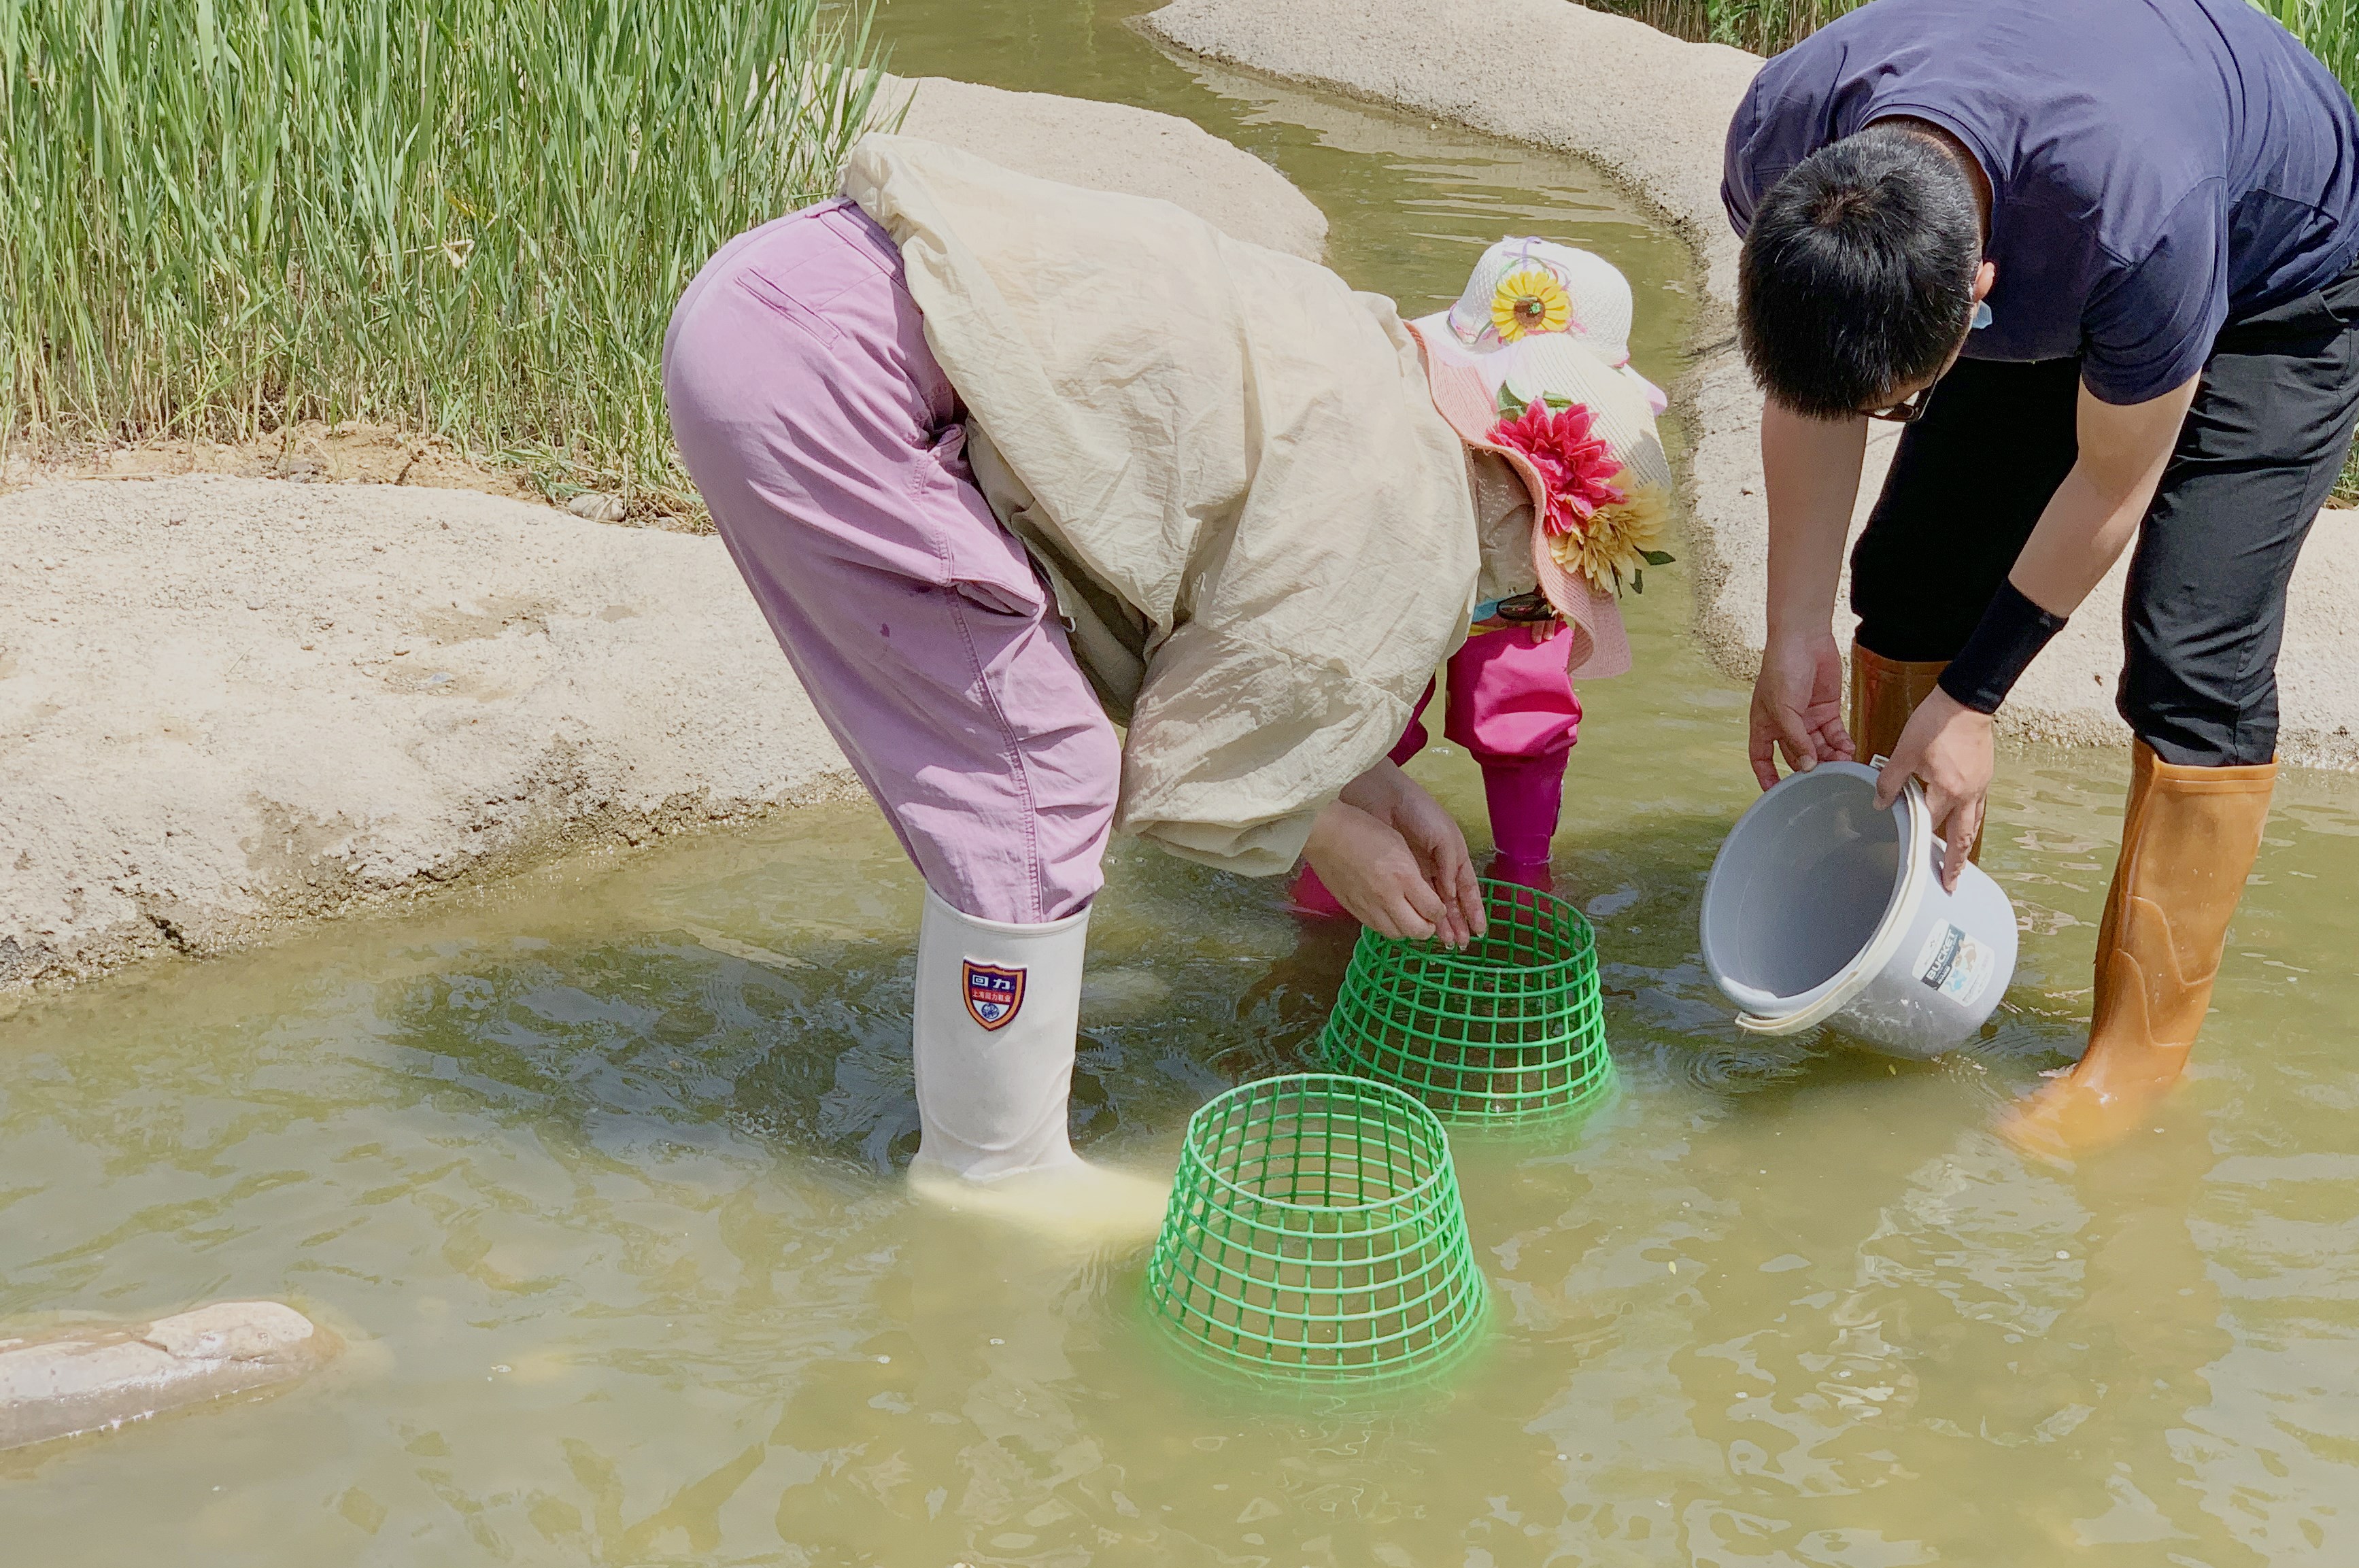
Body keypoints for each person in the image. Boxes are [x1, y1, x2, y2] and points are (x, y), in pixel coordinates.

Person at [661, 133, 1669, 1223]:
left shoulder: (1364, 382)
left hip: (780, 295)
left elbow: (1199, 627)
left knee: (1029, 751)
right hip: (827, 383)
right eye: (1529, 601)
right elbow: (1190, 770)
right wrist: (1329, 835)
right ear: (1516, 516)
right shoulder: (1412, 518)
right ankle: (989, 1171)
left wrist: (1365, 782)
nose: (1506, 619)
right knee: (1039, 783)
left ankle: (993, 1125)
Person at [1725, 0, 2359, 1159]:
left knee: (2191, 650)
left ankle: (2135, 1062)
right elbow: (1815, 385)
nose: (1886, 418)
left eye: (1902, 399)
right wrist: (1792, 628)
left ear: (1979, 295)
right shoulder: (1784, 141)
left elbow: (2113, 471)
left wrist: (1978, 697)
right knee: (1914, 575)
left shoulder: (2131, 220)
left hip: (2279, 273)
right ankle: (1889, 908)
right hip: (2051, 188)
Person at [1289, 237, 1673, 910]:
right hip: (1429, 591)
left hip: (1509, 596)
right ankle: (1357, 876)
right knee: (1383, 725)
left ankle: (1508, 874)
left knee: (1499, 726)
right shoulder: (1407, 423)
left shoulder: (1425, 413)